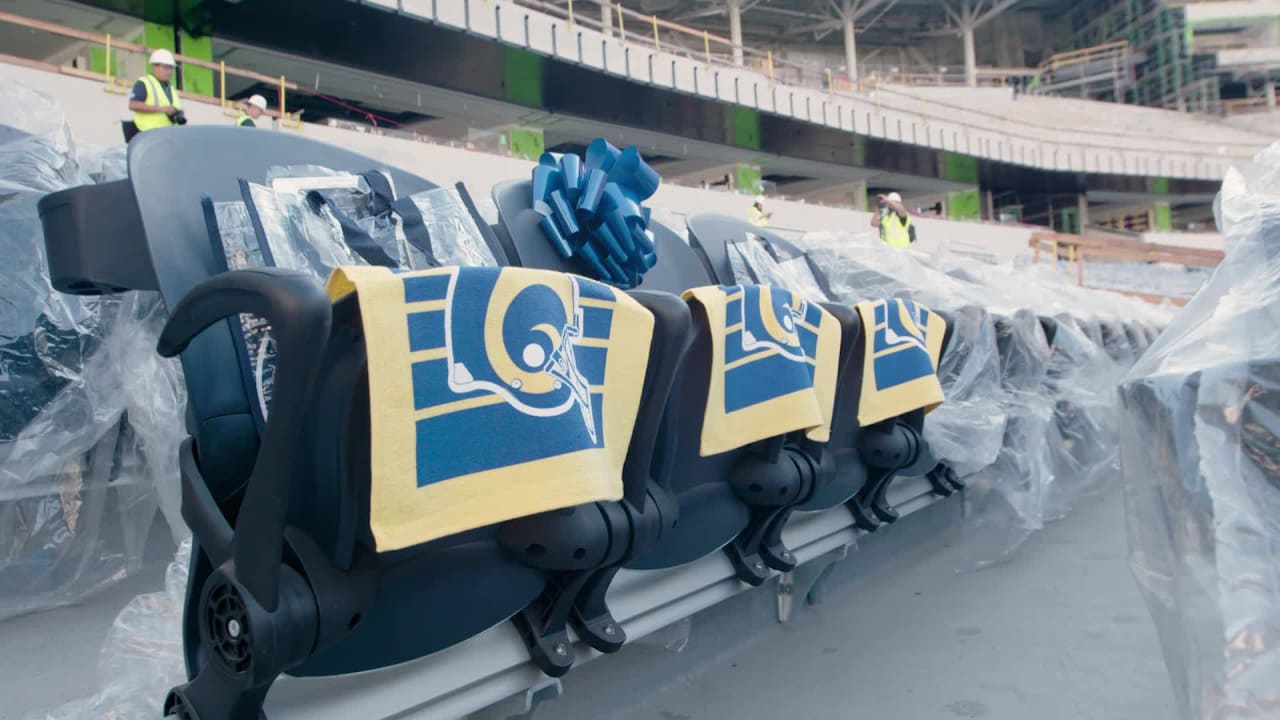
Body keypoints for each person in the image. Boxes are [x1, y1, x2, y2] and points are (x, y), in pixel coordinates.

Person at [125, 49, 183, 140]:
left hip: (166, 137)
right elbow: (133, 105)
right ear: (155, 66)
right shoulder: (144, 83)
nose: (169, 72)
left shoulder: (171, 88)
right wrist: (162, 109)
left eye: (171, 68)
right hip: (147, 135)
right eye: (166, 68)